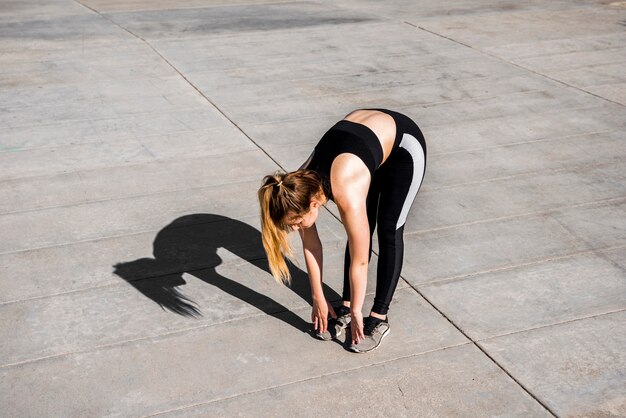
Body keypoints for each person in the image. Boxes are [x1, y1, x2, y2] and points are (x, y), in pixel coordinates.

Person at [258, 109, 426, 353]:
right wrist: (318, 297)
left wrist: (360, 311)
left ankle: (379, 316)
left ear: (314, 204)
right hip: (362, 145)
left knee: (389, 229)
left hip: (404, 147)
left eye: (295, 222)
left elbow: (359, 261)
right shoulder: (295, 189)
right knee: (359, 226)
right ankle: (344, 306)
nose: (294, 228)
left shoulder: (345, 188)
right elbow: (312, 245)